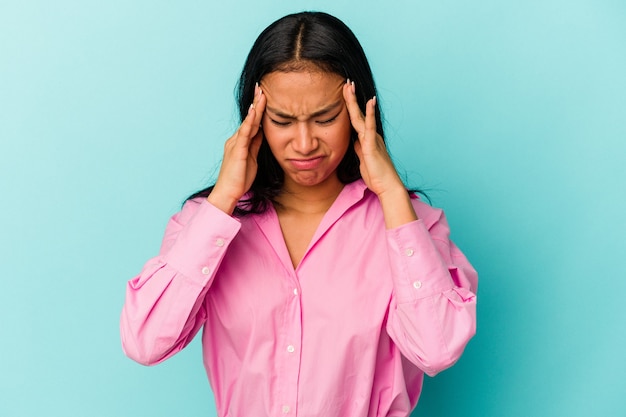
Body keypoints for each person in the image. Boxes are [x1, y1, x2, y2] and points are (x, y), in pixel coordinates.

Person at [120, 11, 477, 417]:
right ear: (255, 118)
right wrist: (224, 197)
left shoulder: (413, 225)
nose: (304, 143)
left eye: (325, 118)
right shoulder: (207, 224)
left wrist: (392, 194)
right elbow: (146, 342)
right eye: (282, 120)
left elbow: (437, 348)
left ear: (357, 110)